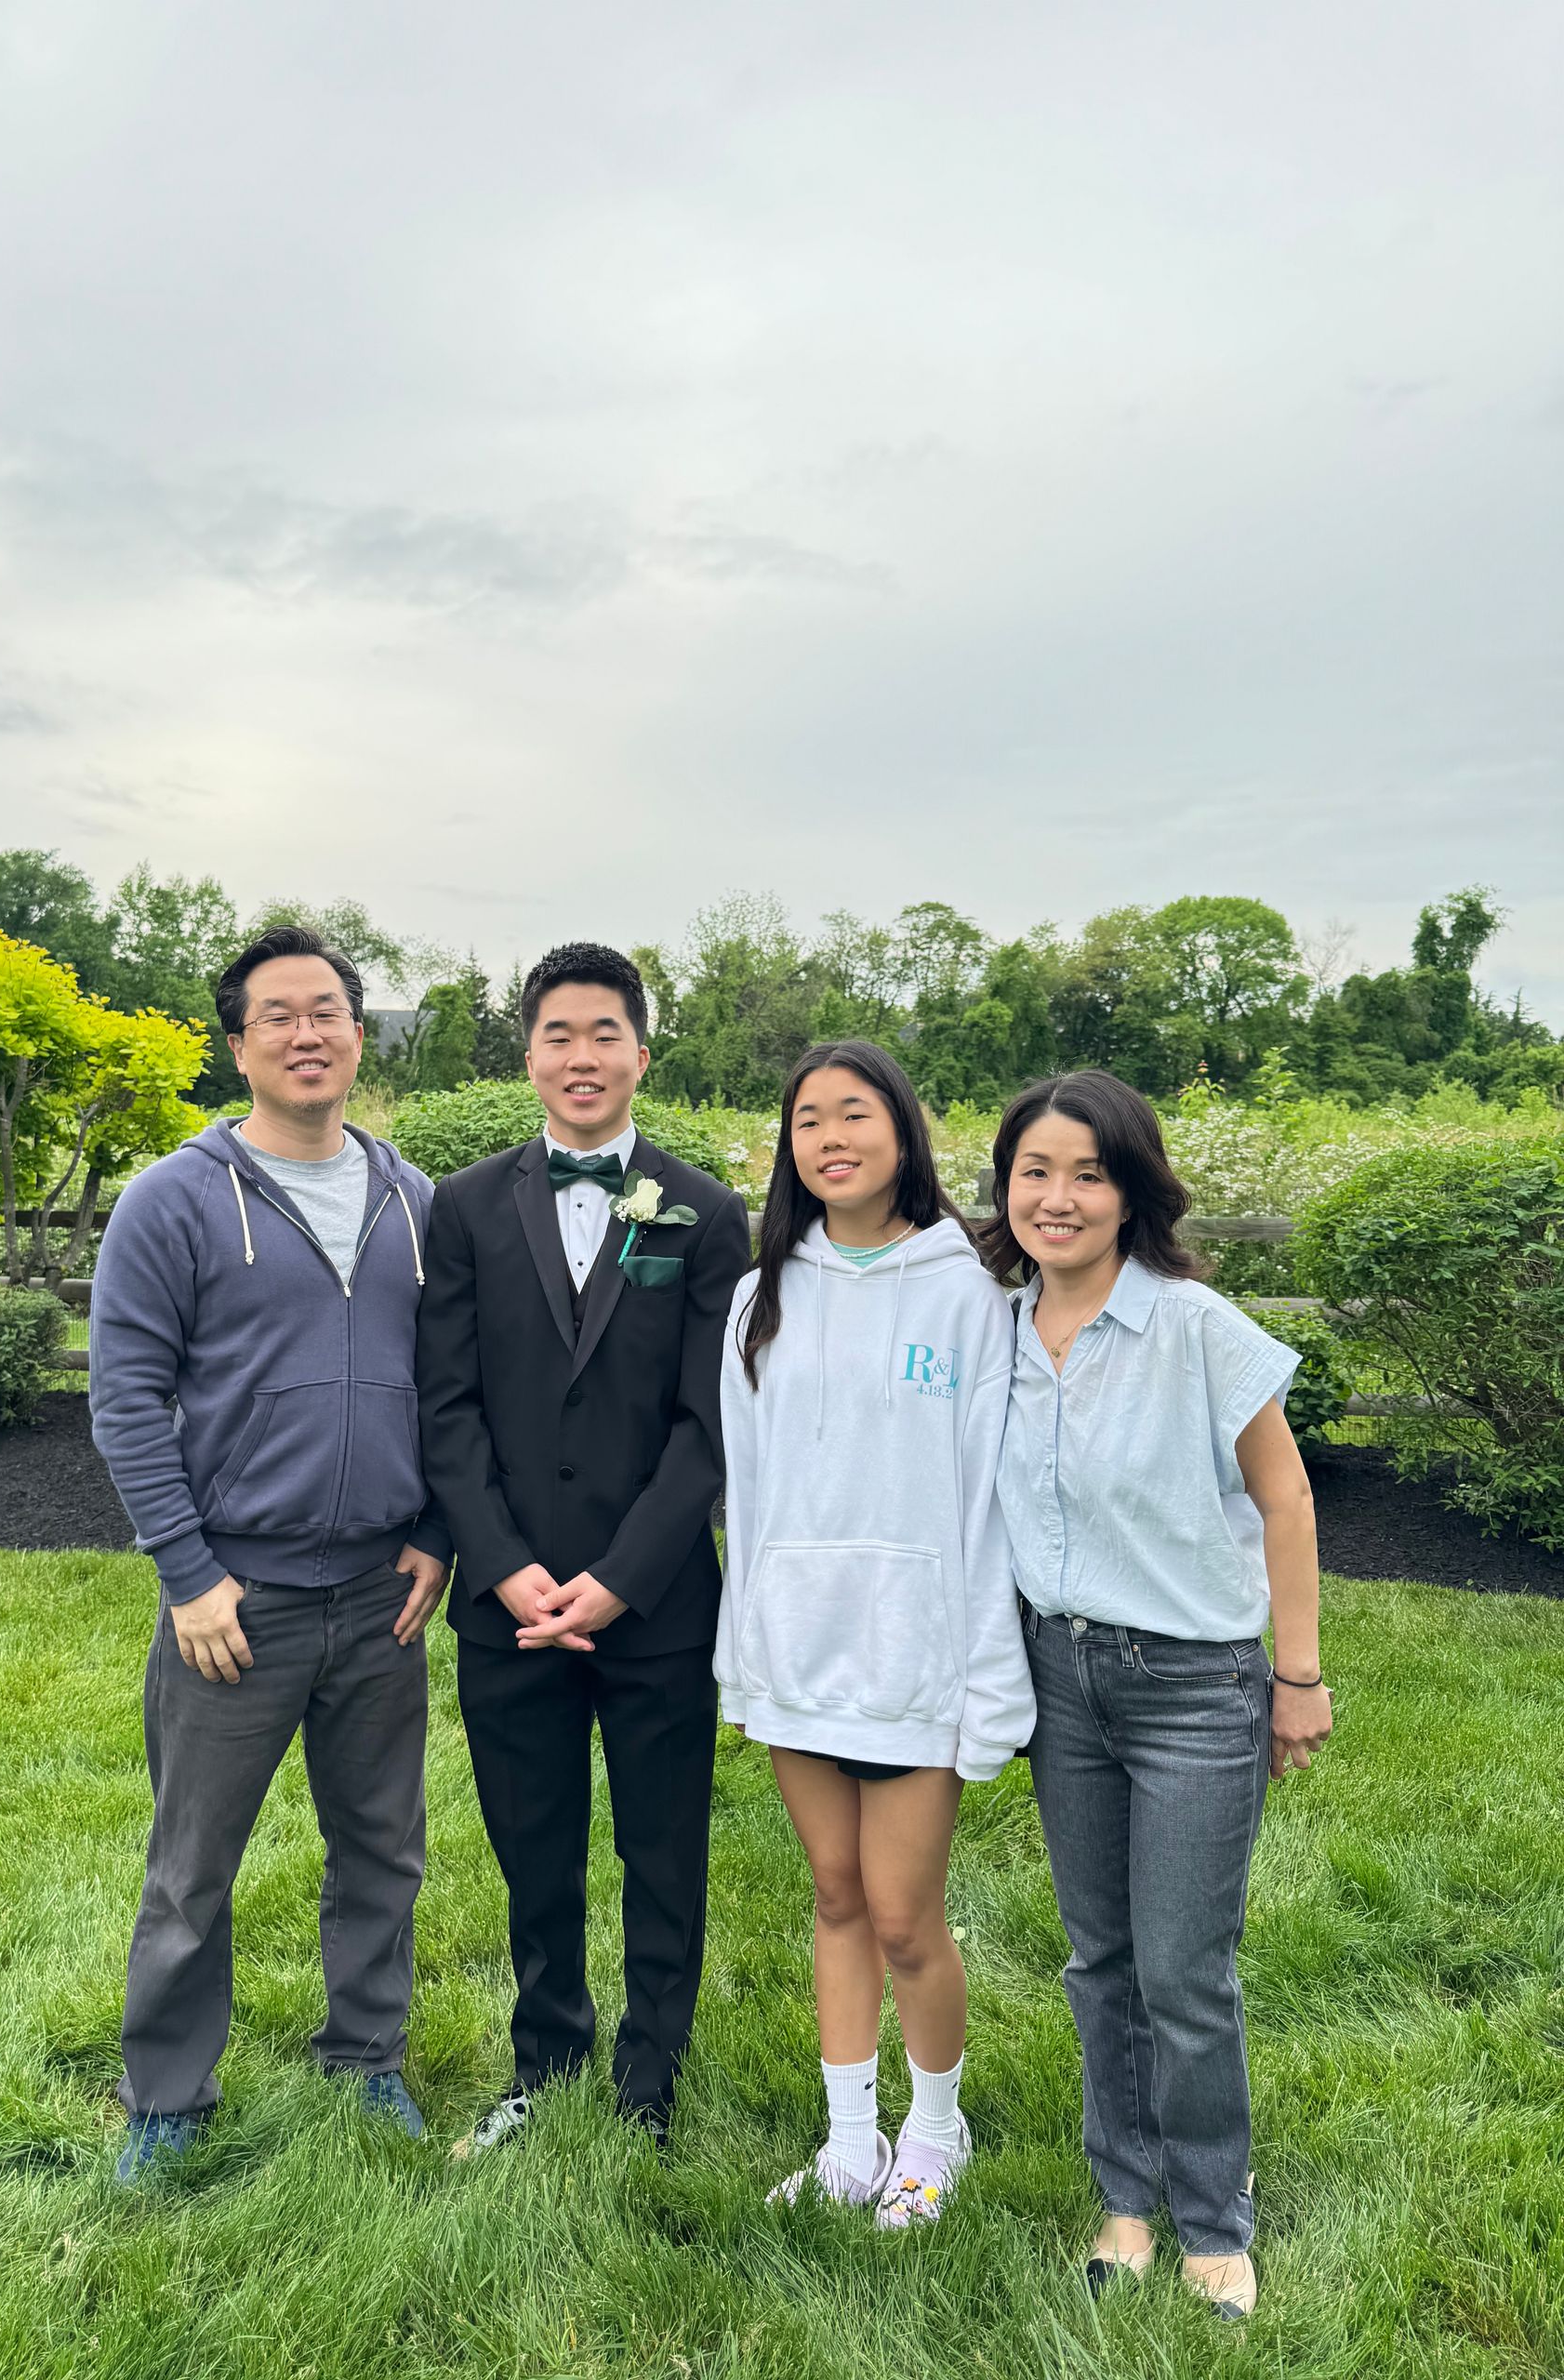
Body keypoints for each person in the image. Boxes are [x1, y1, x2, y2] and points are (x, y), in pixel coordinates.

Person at [89, 924, 450, 2181]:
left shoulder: (415, 1201)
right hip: (235, 1602)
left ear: (357, 1034)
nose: (308, 1033)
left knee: (383, 1850)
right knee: (194, 1866)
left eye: (328, 1011)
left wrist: (436, 1535)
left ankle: (367, 2057)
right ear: (238, 1046)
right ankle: (167, 2095)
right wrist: (189, 1575)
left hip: (382, 1596)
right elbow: (125, 1398)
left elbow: (452, 1386)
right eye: (279, 1016)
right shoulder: (175, 1200)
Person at [979, 1068, 1332, 2320]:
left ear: (1132, 1191)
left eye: (1089, 1173)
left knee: (1184, 1968)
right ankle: (1125, 2197)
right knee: (1101, 1958)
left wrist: (1298, 1675)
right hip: (1060, 1677)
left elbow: (1287, 1497)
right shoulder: (997, 1329)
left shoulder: (1194, 1327)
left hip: (1193, 1684)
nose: (1058, 1197)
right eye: (1035, 1171)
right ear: (1005, 1188)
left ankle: (1215, 2215)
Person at [416, 942, 750, 2153]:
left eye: (605, 1033)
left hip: (654, 1604)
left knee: (663, 1851)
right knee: (535, 1849)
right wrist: (501, 1563)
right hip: (508, 1603)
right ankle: (546, 2056)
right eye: (558, 1034)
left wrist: (620, 1579)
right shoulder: (462, 1208)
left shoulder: (703, 1213)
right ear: (529, 1057)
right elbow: (446, 1405)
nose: (582, 1056)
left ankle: (651, 2078)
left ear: (641, 1054)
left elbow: (710, 1425)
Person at [714, 1041, 1035, 2228]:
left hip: (916, 1653)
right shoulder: (761, 1296)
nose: (831, 1137)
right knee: (836, 1896)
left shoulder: (968, 1291)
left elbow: (986, 1497)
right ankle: (850, 2139)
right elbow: (748, 1490)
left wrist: (985, 1672)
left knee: (905, 1916)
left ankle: (935, 2130)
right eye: (808, 1119)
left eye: (854, 1113)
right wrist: (745, 1642)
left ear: (903, 1131)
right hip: (798, 1645)